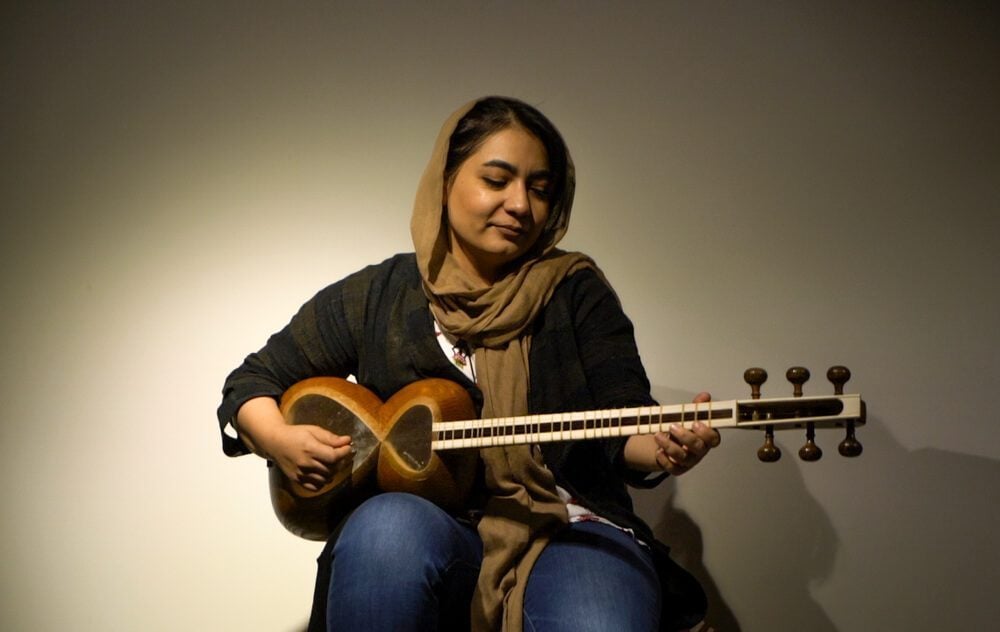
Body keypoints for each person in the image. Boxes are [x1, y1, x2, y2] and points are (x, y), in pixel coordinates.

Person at [217, 96, 721, 632]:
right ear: (445, 180)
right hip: (436, 527)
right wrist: (277, 438)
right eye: (497, 180)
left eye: (540, 189)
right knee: (385, 531)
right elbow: (253, 380)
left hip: (571, 525)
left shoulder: (575, 292)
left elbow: (623, 424)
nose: (521, 204)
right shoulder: (380, 294)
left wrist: (664, 445)